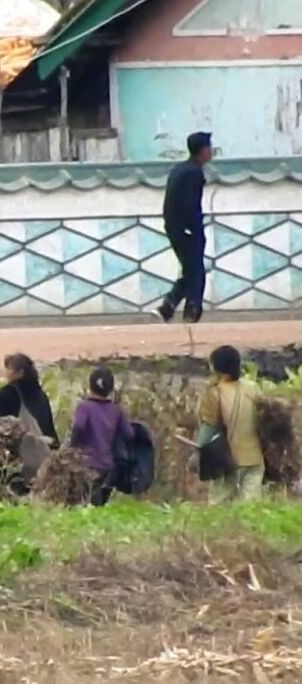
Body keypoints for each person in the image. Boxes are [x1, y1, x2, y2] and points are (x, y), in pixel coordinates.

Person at [0, 353, 59, 494]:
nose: (7, 373)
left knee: (11, 493)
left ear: (20, 372)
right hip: (44, 455)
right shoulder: (41, 395)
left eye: (9, 369)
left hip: (18, 456)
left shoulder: (9, 394)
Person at [154, 131, 213, 324]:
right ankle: (190, 311)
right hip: (186, 228)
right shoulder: (194, 173)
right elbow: (190, 204)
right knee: (195, 271)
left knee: (191, 270)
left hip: (174, 227)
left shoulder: (180, 169)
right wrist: (194, 228)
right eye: (209, 148)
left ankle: (169, 307)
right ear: (202, 150)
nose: (211, 152)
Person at [196, 345, 264, 503]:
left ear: (216, 367)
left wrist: (199, 452)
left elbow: (209, 427)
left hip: (226, 460)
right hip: (254, 458)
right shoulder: (252, 388)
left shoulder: (214, 393)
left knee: (218, 505)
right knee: (251, 507)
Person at [70, 367, 134, 506]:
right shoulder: (117, 411)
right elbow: (129, 434)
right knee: (98, 502)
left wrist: (72, 447)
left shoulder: (84, 407)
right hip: (107, 466)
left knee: (86, 503)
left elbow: (79, 427)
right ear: (111, 390)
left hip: (86, 464)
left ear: (90, 385)